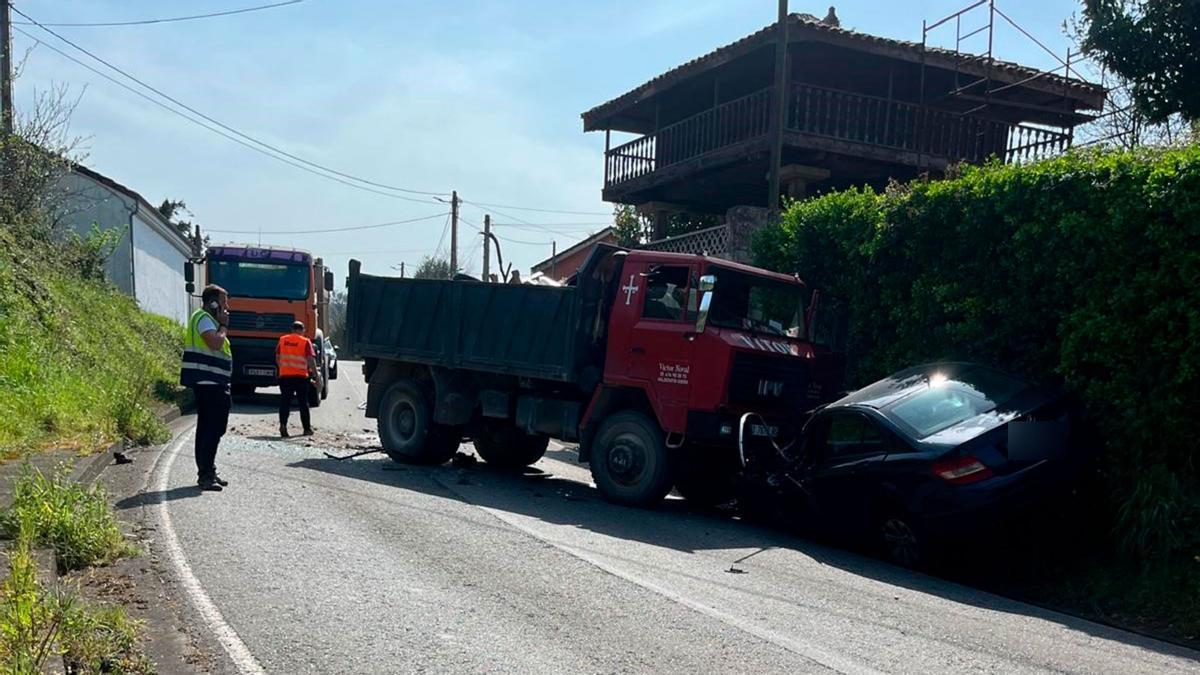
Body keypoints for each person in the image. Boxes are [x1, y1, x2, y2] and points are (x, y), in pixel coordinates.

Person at [180, 285, 233, 492]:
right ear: (213, 303)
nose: (227, 307)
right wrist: (223, 326)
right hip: (209, 383)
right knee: (212, 429)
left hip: (212, 383)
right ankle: (205, 475)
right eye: (224, 301)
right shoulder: (204, 319)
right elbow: (215, 343)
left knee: (210, 428)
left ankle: (208, 470)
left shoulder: (204, 318)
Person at [276, 321, 320, 438]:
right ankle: (306, 429)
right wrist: (316, 375)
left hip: (285, 377)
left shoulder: (283, 340)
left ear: (292, 329)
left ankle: (283, 425)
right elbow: (310, 359)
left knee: (285, 402)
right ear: (302, 330)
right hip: (301, 377)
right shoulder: (305, 341)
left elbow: (278, 357)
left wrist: (284, 368)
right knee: (303, 403)